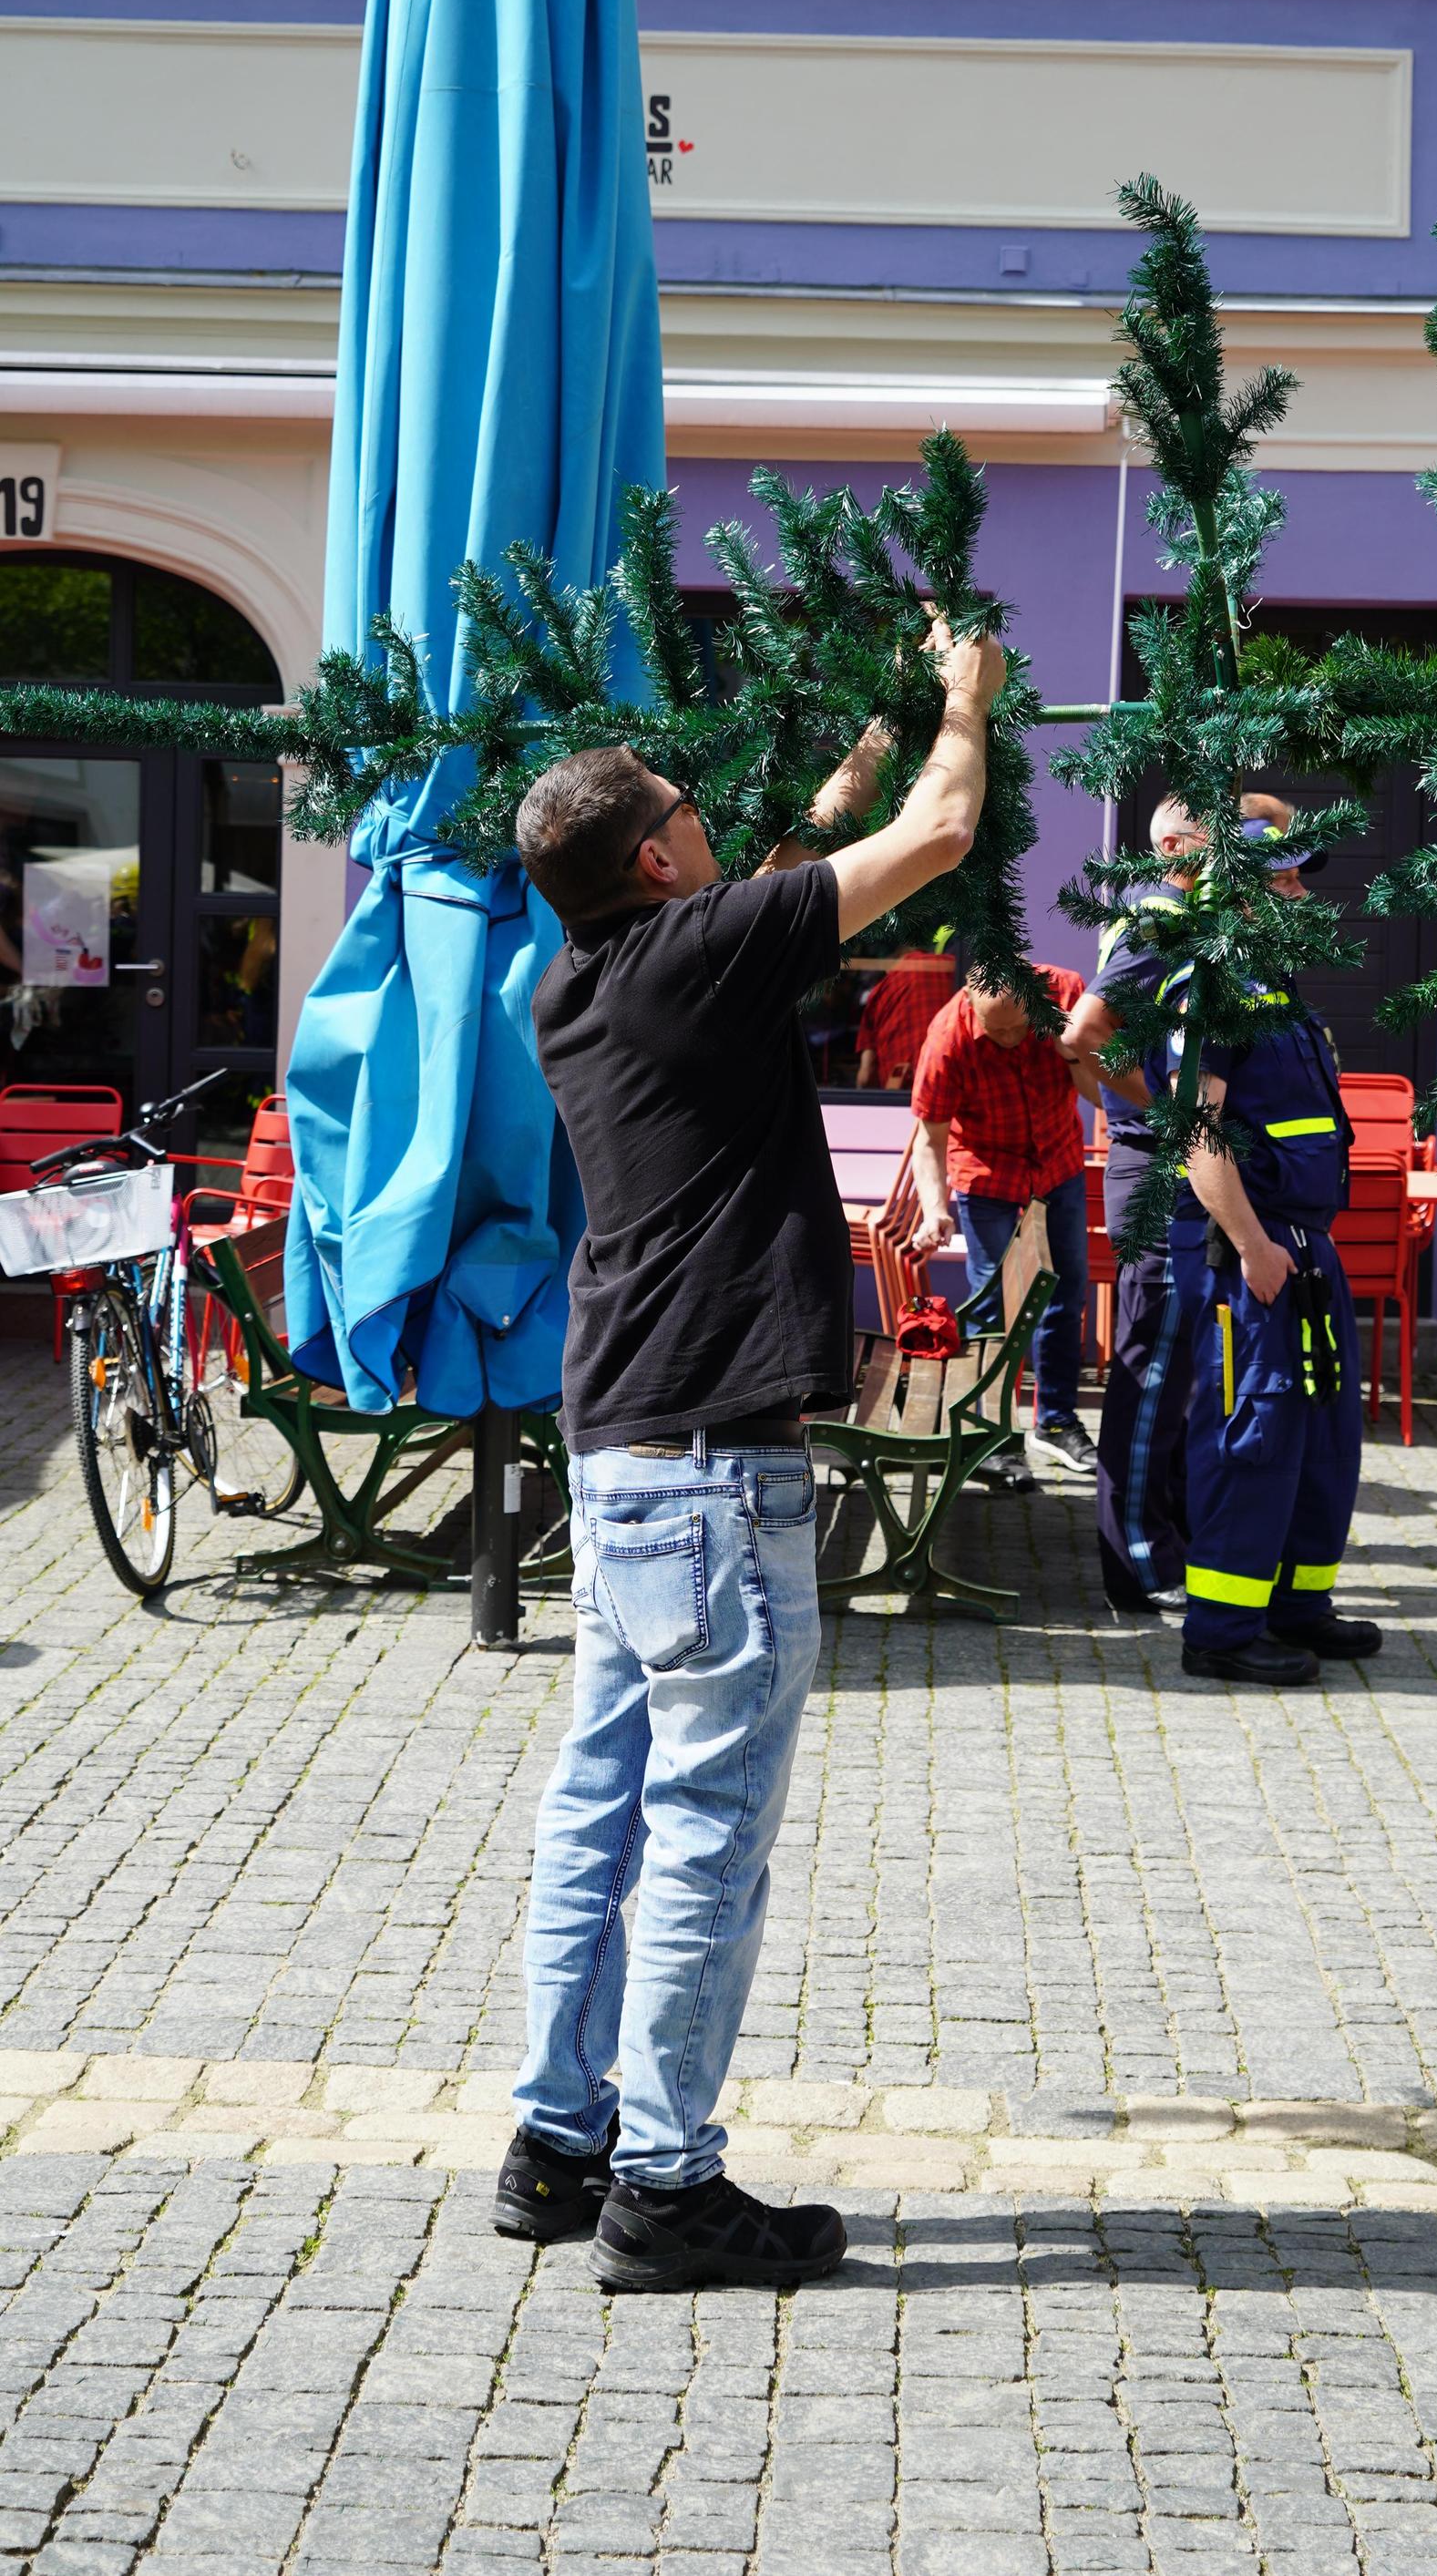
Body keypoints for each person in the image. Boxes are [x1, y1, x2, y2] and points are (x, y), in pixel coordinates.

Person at [496, 621, 1008, 2291]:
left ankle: (556, 2140)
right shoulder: (688, 951)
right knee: (707, 1819)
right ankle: (666, 2184)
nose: (709, 820)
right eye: (684, 810)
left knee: (599, 1804)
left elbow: (760, 887)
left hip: (623, 1444)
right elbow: (936, 840)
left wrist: (832, 783)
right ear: (656, 857)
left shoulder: (573, 974)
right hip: (717, 1468)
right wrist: (960, 700)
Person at [1167, 816, 1381, 1686]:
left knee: (1322, 1433)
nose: (1300, 893)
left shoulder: (1277, 988)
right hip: (1252, 1252)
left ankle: (1298, 1607)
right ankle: (1220, 1634)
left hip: (1304, 1247)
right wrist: (1252, 1244)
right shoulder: (1209, 984)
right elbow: (1199, 1131)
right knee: (1251, 1435)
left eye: (1301, 879)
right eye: (1283, 880)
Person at [1061, 796, 1206, 1615]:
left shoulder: (1178, 919)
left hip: (1161, 1163)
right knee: (1153, 1372)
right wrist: (1153, 1112)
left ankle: (1167, 1543)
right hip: (1161, 1173)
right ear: (1183, 848)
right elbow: (1083, 1038)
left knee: (1174, 1368)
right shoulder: (1160, 919)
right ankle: (1138, 1562)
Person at [908, 963, 1097, 1485]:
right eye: (999, 1030)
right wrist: (935, 1209)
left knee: (1067, 1290)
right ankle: (987, 1434)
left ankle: (1056, 1423)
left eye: (1020, 1026)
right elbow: (930, 1138)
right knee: (992, 1302)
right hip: (987, 1172)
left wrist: (1070, 1049)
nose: (1012, 1038)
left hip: (1058, 1162)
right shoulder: (948, 1039)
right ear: (972, 1005)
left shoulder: (1066, 994)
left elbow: (1102, 1092)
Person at [854, 939, 958, 1088]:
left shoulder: (880, 991)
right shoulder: (950, 966)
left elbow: (866, 1074)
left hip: (903, 1087)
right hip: (951, 1077)